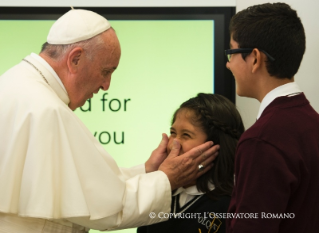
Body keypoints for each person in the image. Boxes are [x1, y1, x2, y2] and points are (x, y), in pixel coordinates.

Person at [0, 9, 219, 233]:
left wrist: (147, 170)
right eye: (106, 71)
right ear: (75, 59)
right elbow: (108, 209)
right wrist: (166, 179)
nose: (106, 86)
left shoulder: (13, 85)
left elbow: (90, 187)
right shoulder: (47, 109)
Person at [225, 3, 319, 233]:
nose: (228, 64)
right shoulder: (312, 123)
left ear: (255, 58)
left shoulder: (261, 141)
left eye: (231, 52)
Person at [137, 93, 244, 233]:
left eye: (186, 135)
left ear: (215, 145)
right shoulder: (159, 196)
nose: (173, 145)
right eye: (173, 132)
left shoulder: (232, 205)